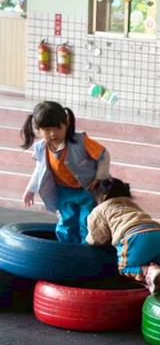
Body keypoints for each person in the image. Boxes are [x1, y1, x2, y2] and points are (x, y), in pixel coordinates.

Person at [21, 101, 110, 243]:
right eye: (47, 129)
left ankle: (86, 248)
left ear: (66, 124)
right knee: (66, 221)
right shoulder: (42, 148)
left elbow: (103, 155)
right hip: (64, 192)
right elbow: (39, 169)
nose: (52, 133)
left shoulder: (80, 141)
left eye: (57, 128)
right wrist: (30, 189)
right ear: (37, 130)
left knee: (87, 221)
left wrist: (100, 178)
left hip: (87, 191)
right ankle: (66, 248)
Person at [86, 178, 160, 292]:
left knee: (123, 269)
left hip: (135, 238)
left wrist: (88, 245)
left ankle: (149, 271)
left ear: (101, 196)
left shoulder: (99, 210)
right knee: (157, 272)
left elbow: (96, 239)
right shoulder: (131, 205)